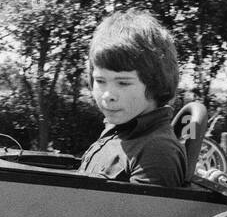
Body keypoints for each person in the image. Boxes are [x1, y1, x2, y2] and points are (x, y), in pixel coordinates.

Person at [78, 11, 188, 187]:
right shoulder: (118, 131)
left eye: (123, 83)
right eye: (100, 81)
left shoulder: (157, 150)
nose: (108, 95)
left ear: (154, 84)